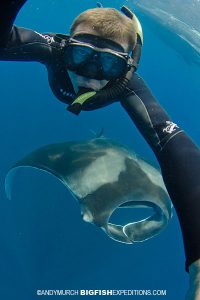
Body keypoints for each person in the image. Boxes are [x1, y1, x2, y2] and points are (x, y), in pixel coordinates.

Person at [1, 1, 200, 299]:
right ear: (66, 47)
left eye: (108, 64)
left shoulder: (128, 85)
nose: (90, 76)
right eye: (80, 55)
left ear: (126, 66)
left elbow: (176, 146)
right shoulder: (52, 49)